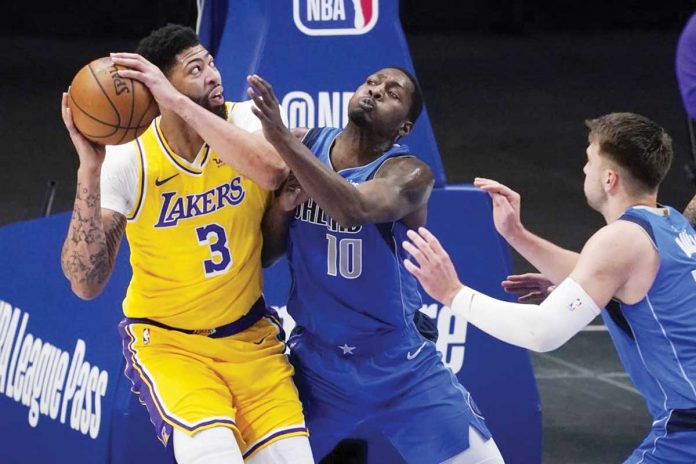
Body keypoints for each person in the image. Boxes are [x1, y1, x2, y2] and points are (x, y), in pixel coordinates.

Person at [60, 24, 313, 464]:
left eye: (211, 64)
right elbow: (85, 283)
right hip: (172, 345)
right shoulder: (131, 156)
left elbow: (274, 170)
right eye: (195, 70)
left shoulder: (246, 121)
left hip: (250, 338)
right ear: (158, 87)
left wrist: (176, 99)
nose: (214, 75)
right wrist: (89, 171)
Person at [404, 112, 696, 463]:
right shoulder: (670, 225)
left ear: (609, 178)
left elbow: (541, 332)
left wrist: (452, 293)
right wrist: (517, 235)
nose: (583, 170)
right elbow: (604, 274)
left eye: (589, 161)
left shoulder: (621, 239)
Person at [249, 69, 503, 464]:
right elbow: (265, 255)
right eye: (373, 82)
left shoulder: (410, 173)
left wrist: (280, 140)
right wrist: (281, 210)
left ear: (403, 127)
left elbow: (354, 209)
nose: (376, 90)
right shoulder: (305, 143)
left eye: (392, 92)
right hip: (317, 364)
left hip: (398, 366)